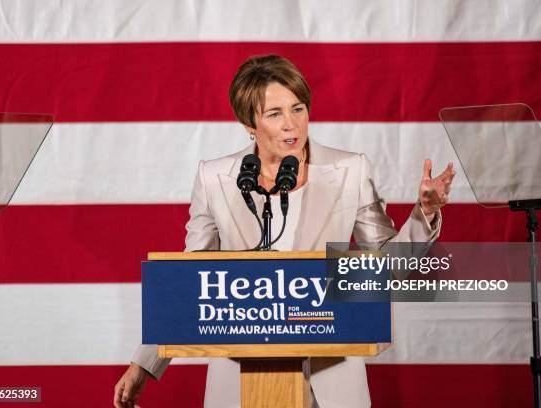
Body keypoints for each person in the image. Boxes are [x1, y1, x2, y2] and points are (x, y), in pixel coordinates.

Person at [114, 55, 455, 408]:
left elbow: (383, 268)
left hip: (331, 378)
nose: (291, 125)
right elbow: (190, 282)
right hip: (240, 380)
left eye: (298, 108)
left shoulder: (349, 170)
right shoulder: (215, 179)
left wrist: (424, 213)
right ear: (250, 123)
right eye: (274, 114)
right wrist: (143, 364)